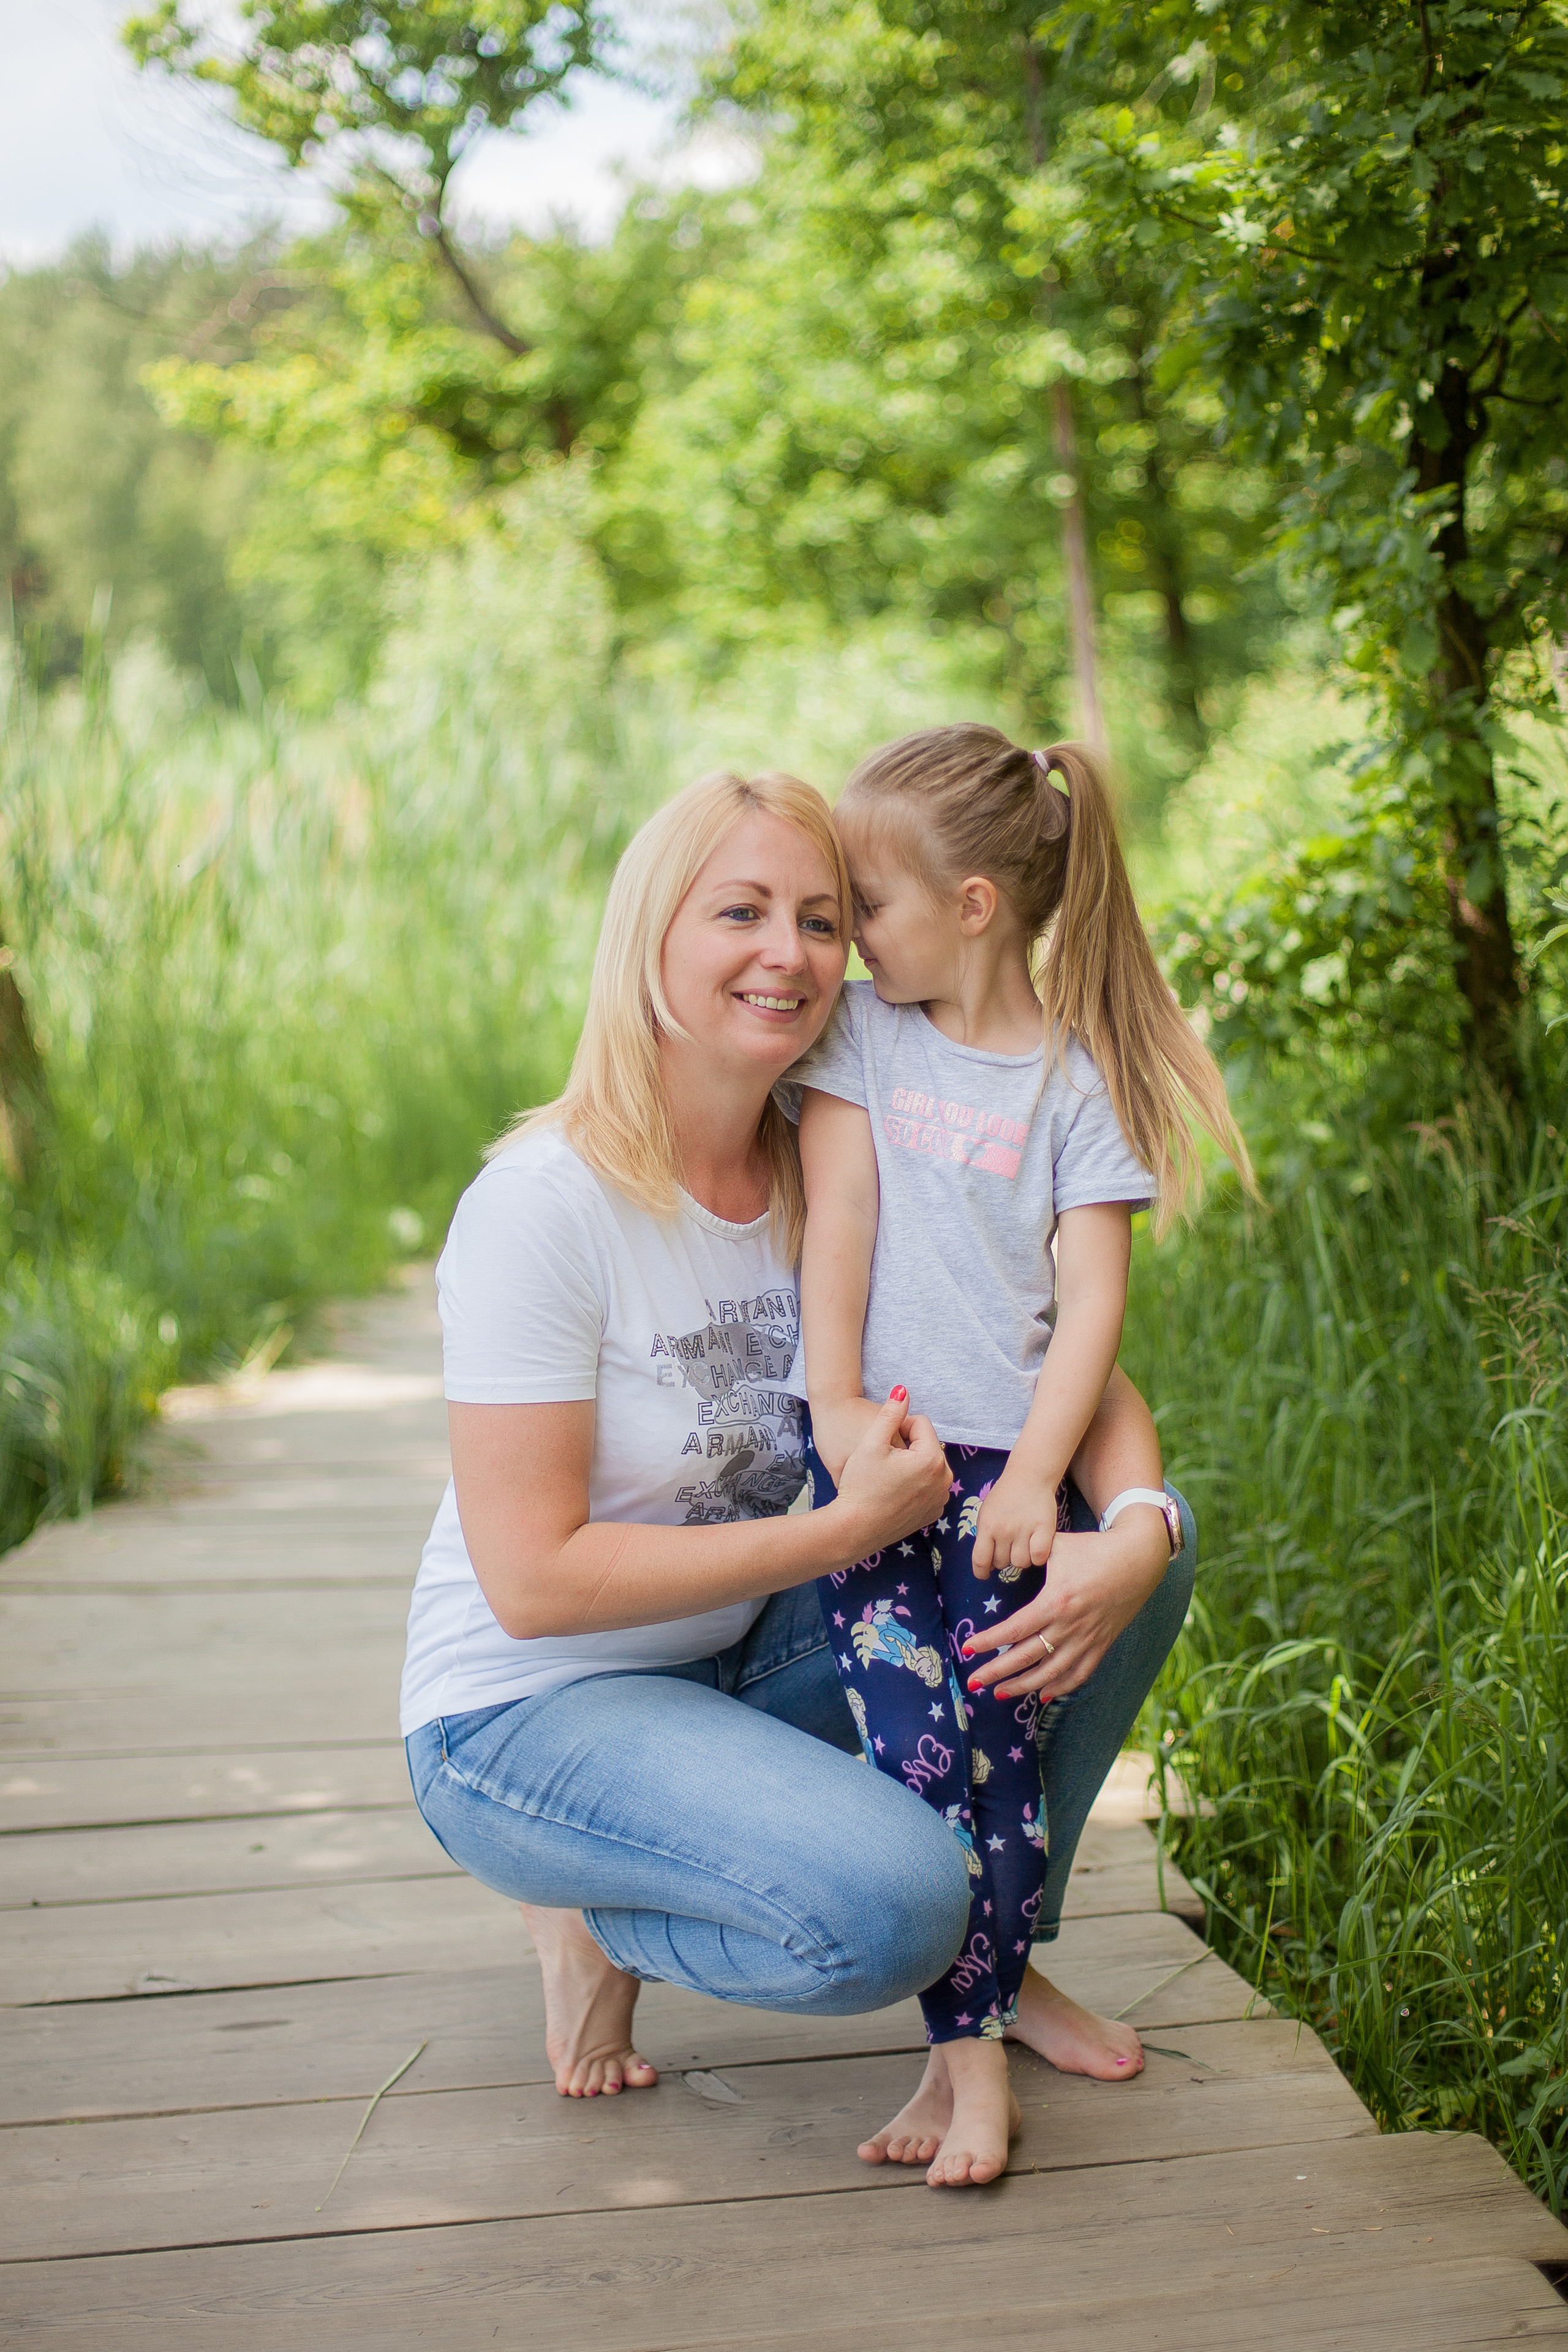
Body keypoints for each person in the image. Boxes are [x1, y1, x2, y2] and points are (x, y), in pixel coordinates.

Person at [401, 761, 1196, 2134]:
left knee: (1108, 1541)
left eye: (826, 918)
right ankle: (601, 1919)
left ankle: (996, 1966)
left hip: (742, 1651)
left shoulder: (833, 1152)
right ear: (650, 931)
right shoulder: (542, 1207)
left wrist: (1143, 1534)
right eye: (741, 912)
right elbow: (531, 1583)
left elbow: (1068, 1371)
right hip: (533, 1709)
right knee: (882, 1911)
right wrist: (840, 1533)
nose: (790, 953)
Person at [791, 724, 1252, 2188]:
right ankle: (970, 2065)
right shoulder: (867, 1034)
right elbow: (842, 1223)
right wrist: (833, 1410)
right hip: (875, 1465)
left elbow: (1092, 1305)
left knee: (1000, 1761)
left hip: (1004, 1478)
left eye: (867, 904)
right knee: (913, 1767)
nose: (851, 938)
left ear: (972, 905)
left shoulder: (1072, 1084)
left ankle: (962, 2042)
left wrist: (1043, 1476)